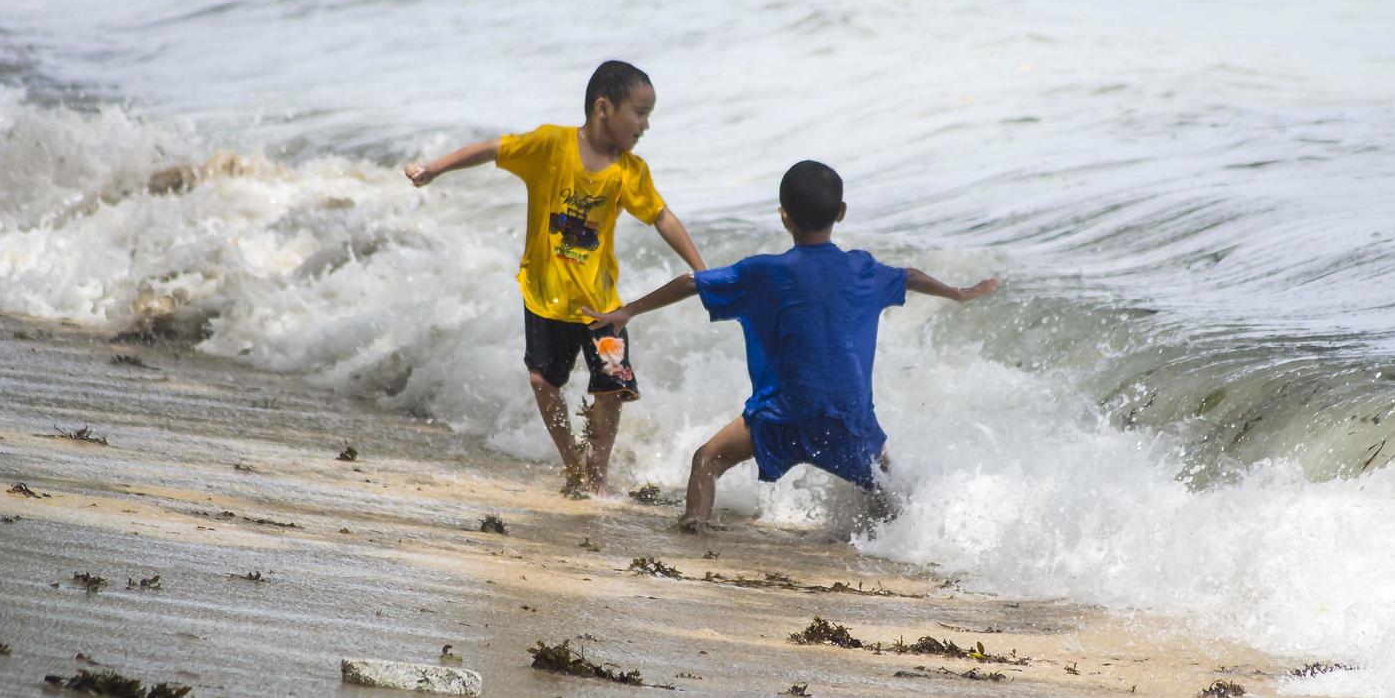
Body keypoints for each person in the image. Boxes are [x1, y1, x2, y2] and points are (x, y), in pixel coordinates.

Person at [583, 159, 998, 531]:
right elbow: (910, 275)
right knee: (887, 487)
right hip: (848, 420)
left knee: (706, 462)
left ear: (784, 216)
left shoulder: (763, 271)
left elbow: (692, 282)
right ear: (841, 214)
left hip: (780, 416)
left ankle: (696, 535)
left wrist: (627, 312)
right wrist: (959, 293)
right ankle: (916, 544)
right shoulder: (863, 269)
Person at [405, 61, 706, 496]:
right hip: (544, 296)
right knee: (543, 382)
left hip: (602, 308)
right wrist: (434, 169)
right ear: (604, 107)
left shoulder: (630, 172)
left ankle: (597, 474)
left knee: (611, 387)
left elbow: (662, 217)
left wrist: (701, 267)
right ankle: (573, 463)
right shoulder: (550, 145)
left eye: (648, 116)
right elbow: (492, 148)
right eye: (639, 113)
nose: (644, 125)